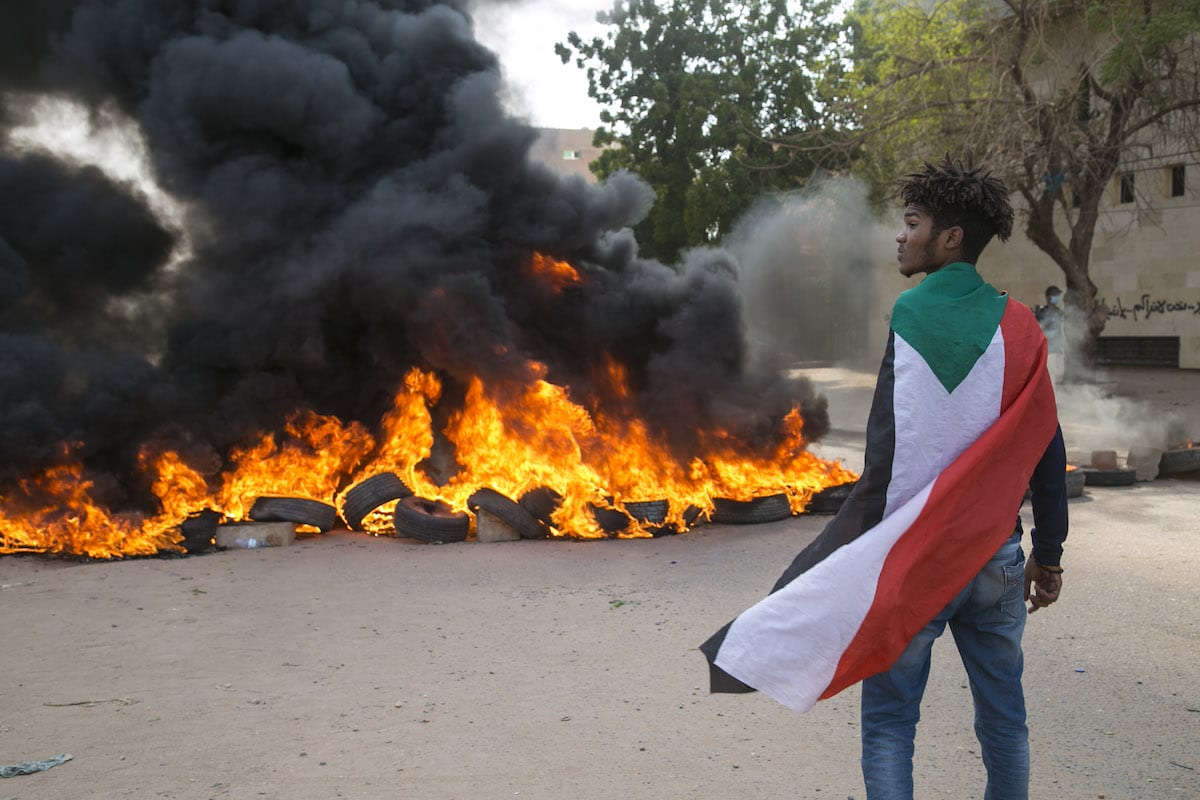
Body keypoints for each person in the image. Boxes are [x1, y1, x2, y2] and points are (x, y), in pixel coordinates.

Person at [701, 156, 1068, 800]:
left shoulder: (911, 317)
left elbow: (884, 458)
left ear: (950, 238)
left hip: (916, 556)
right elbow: (1045, 446)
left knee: (892, 725)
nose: (900, 236)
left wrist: (830, 559)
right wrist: (1050, 555)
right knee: (1005, 720)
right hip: (997, 555)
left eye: (913, 223)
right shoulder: (1021, 327)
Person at [1035, 285, 1065, 380]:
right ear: (1049, 297)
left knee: (1057, 374)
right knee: (1050, 375)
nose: (1058, 298)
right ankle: (1052, 394)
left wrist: (1062, 346)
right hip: (1048, 350)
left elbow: (1061, 330)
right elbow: (1038, 330)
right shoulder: (1041, 313)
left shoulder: (1059, 312)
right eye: (1056, 295)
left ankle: (1054, 393)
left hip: (1057, 348)